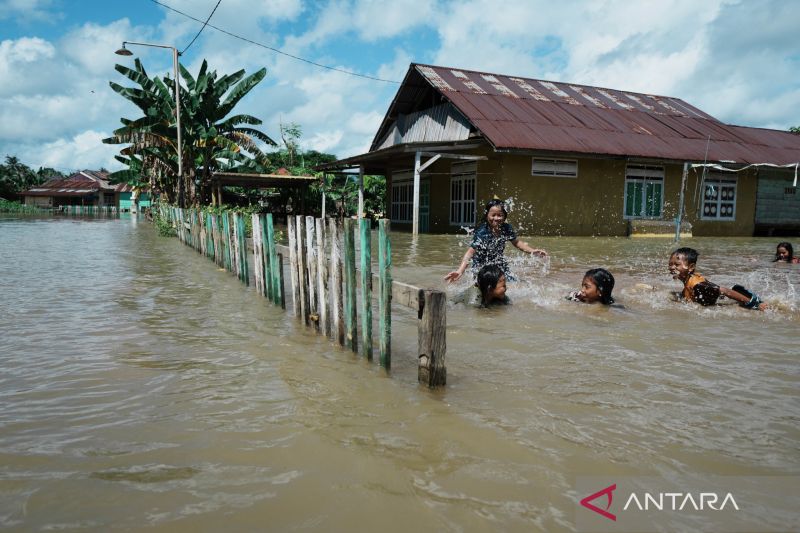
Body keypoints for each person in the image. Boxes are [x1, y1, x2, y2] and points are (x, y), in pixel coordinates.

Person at [444, 198, 547, 283]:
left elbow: (517, 242)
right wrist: (460, 271)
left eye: (500, 215)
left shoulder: (506, 228)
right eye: (493, 215)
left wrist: (532, 251)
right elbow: (470, 253)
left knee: (511, 282)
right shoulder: (482, 232)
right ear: (487, 215)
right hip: (481, 265)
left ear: (504, 216)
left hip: (499, 262)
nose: (496, 218)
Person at [668, 247, 767, 310]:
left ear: (691, 267)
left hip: (721, 303)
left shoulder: (698, 285)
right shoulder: (687, 278)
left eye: (676, 265)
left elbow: (724, 290)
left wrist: (752, 304)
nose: (672, 267)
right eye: (670, 264)